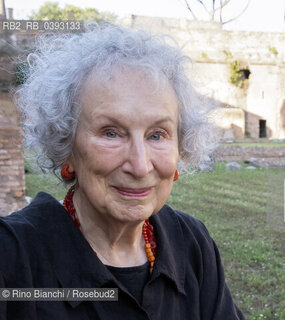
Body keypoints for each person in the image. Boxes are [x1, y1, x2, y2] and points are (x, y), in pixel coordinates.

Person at [0, 24, 245, 319]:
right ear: (66, 144)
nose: (140, 166)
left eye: (157, 135)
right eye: (111, 133)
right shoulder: (11, 258)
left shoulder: (192, 242)